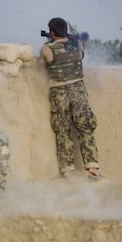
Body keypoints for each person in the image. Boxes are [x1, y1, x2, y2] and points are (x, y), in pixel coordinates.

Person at [39, 17, 103, 180]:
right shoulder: (78, 44)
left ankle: (68, 170)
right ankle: (93, 168)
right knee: (85, 127)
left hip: (58, 92)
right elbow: (80, 55)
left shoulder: (47, 49)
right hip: (78, 89)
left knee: (62, 129)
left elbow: (40, 67)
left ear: (52, 32)